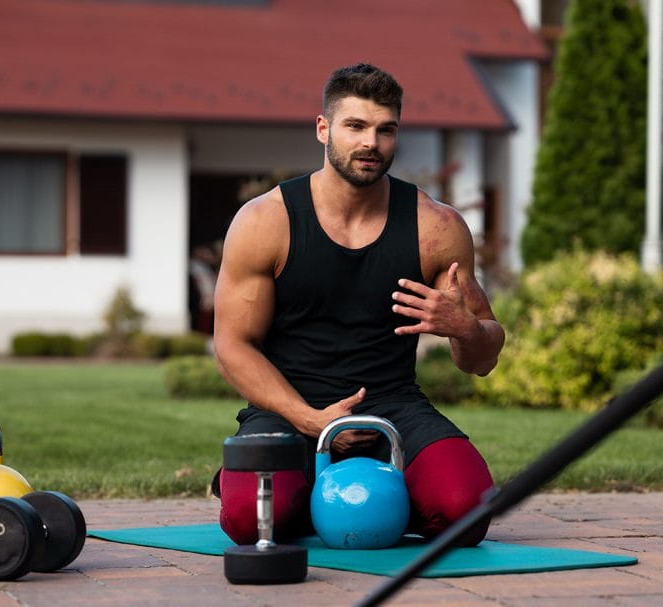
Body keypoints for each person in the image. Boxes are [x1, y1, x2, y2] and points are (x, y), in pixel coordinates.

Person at [212, 63, 505, 547]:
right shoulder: (266, 221)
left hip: (393, 407)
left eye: (385, 129)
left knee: (467, 512)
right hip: (291, 408)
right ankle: (291, 489)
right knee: (250, 520)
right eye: (355, 126)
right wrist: (311, 419)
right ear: (323, 128)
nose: (371, 142)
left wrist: (464, 329)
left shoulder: (436, 227)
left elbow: (483, 358)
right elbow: (232, 345)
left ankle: (358, 495)